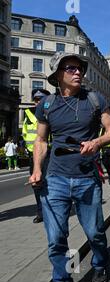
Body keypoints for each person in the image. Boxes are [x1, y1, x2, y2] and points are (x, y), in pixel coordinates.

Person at [29, 51, 110, 282]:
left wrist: (96, 142)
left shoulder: (95, 99)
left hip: (87, 178)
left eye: (80, 68)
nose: (78, 72)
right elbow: (40, 140)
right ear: (58, 74)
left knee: (95, 232)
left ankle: (100, 263)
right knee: (57, 237)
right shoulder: (47, 104)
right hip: (55, 178)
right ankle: (62, 279)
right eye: (70, 68)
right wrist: (37, 168)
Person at [22, 88, 51, 223]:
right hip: (33, 155)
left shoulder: (52, 113)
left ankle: (51, 210)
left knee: (49, 184)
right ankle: (40, 212)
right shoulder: (27, 114)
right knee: (36, 184)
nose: (38, 102)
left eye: (42, 99)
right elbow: (25, 133)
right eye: (36, 100)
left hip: (50, 154)